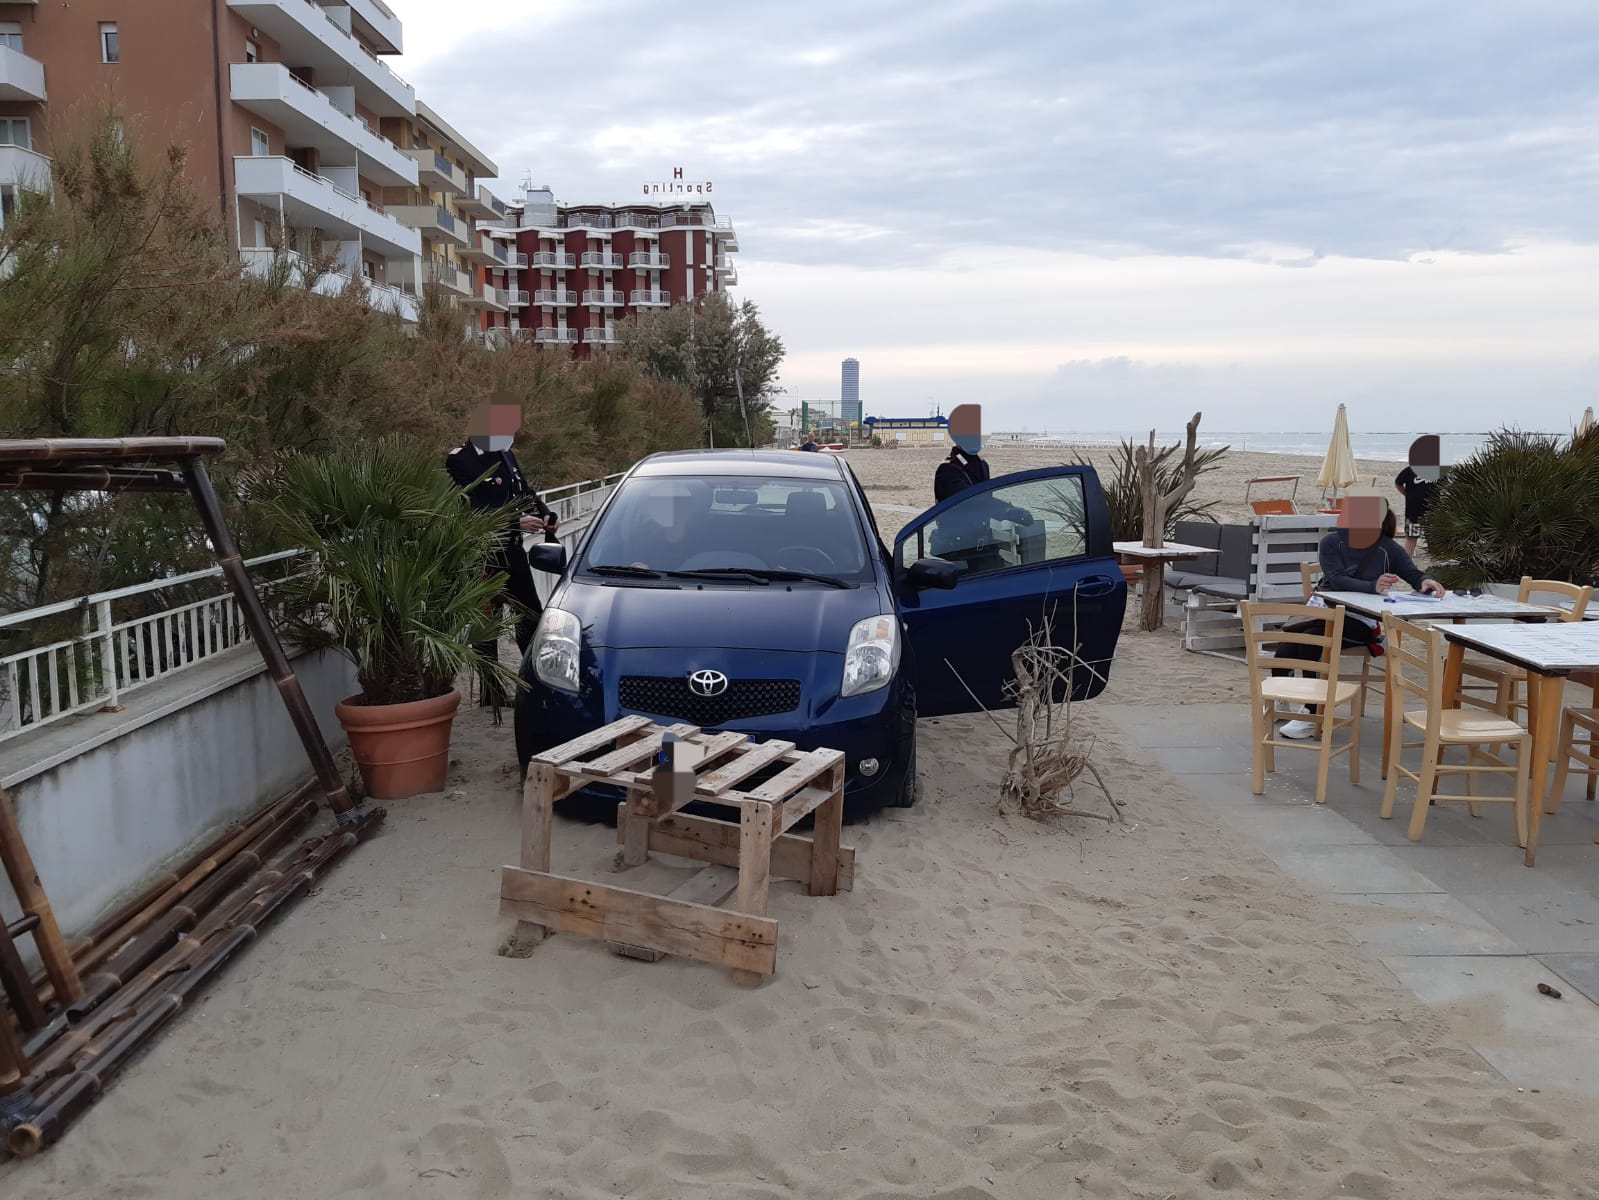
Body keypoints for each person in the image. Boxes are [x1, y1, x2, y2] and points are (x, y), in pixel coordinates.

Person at [1275, 494, 1445, 739]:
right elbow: (1336, 579)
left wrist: (1424, 580)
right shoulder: (1331, 543)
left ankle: (1314, 712)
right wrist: (1372, 585)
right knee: (1287, 645)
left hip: (1360, 620)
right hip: (1324, 610)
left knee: (1309, 640)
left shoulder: (1388, 549)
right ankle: (1285, 698)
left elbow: (1411, 572)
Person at [446, 399, 558, 707]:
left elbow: (525, 492)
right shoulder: (460, 460)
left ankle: (536, 686)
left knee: (530, 617)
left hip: (512, 552)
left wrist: (546, 513)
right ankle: (491, 695)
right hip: (483, 556)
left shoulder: (505, 455)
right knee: (487, 627)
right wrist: (515, 521)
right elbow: (471, 508)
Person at [1394, 434, 1442, 555]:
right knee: (1411, 538)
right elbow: (1398, 483)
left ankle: (1434, 561)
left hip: (1433, 511)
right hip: (1413, 511)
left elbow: (1443, 488)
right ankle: (1407, 562)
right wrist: (1407, 495)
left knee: (1432, 538)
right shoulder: (1410, 470)